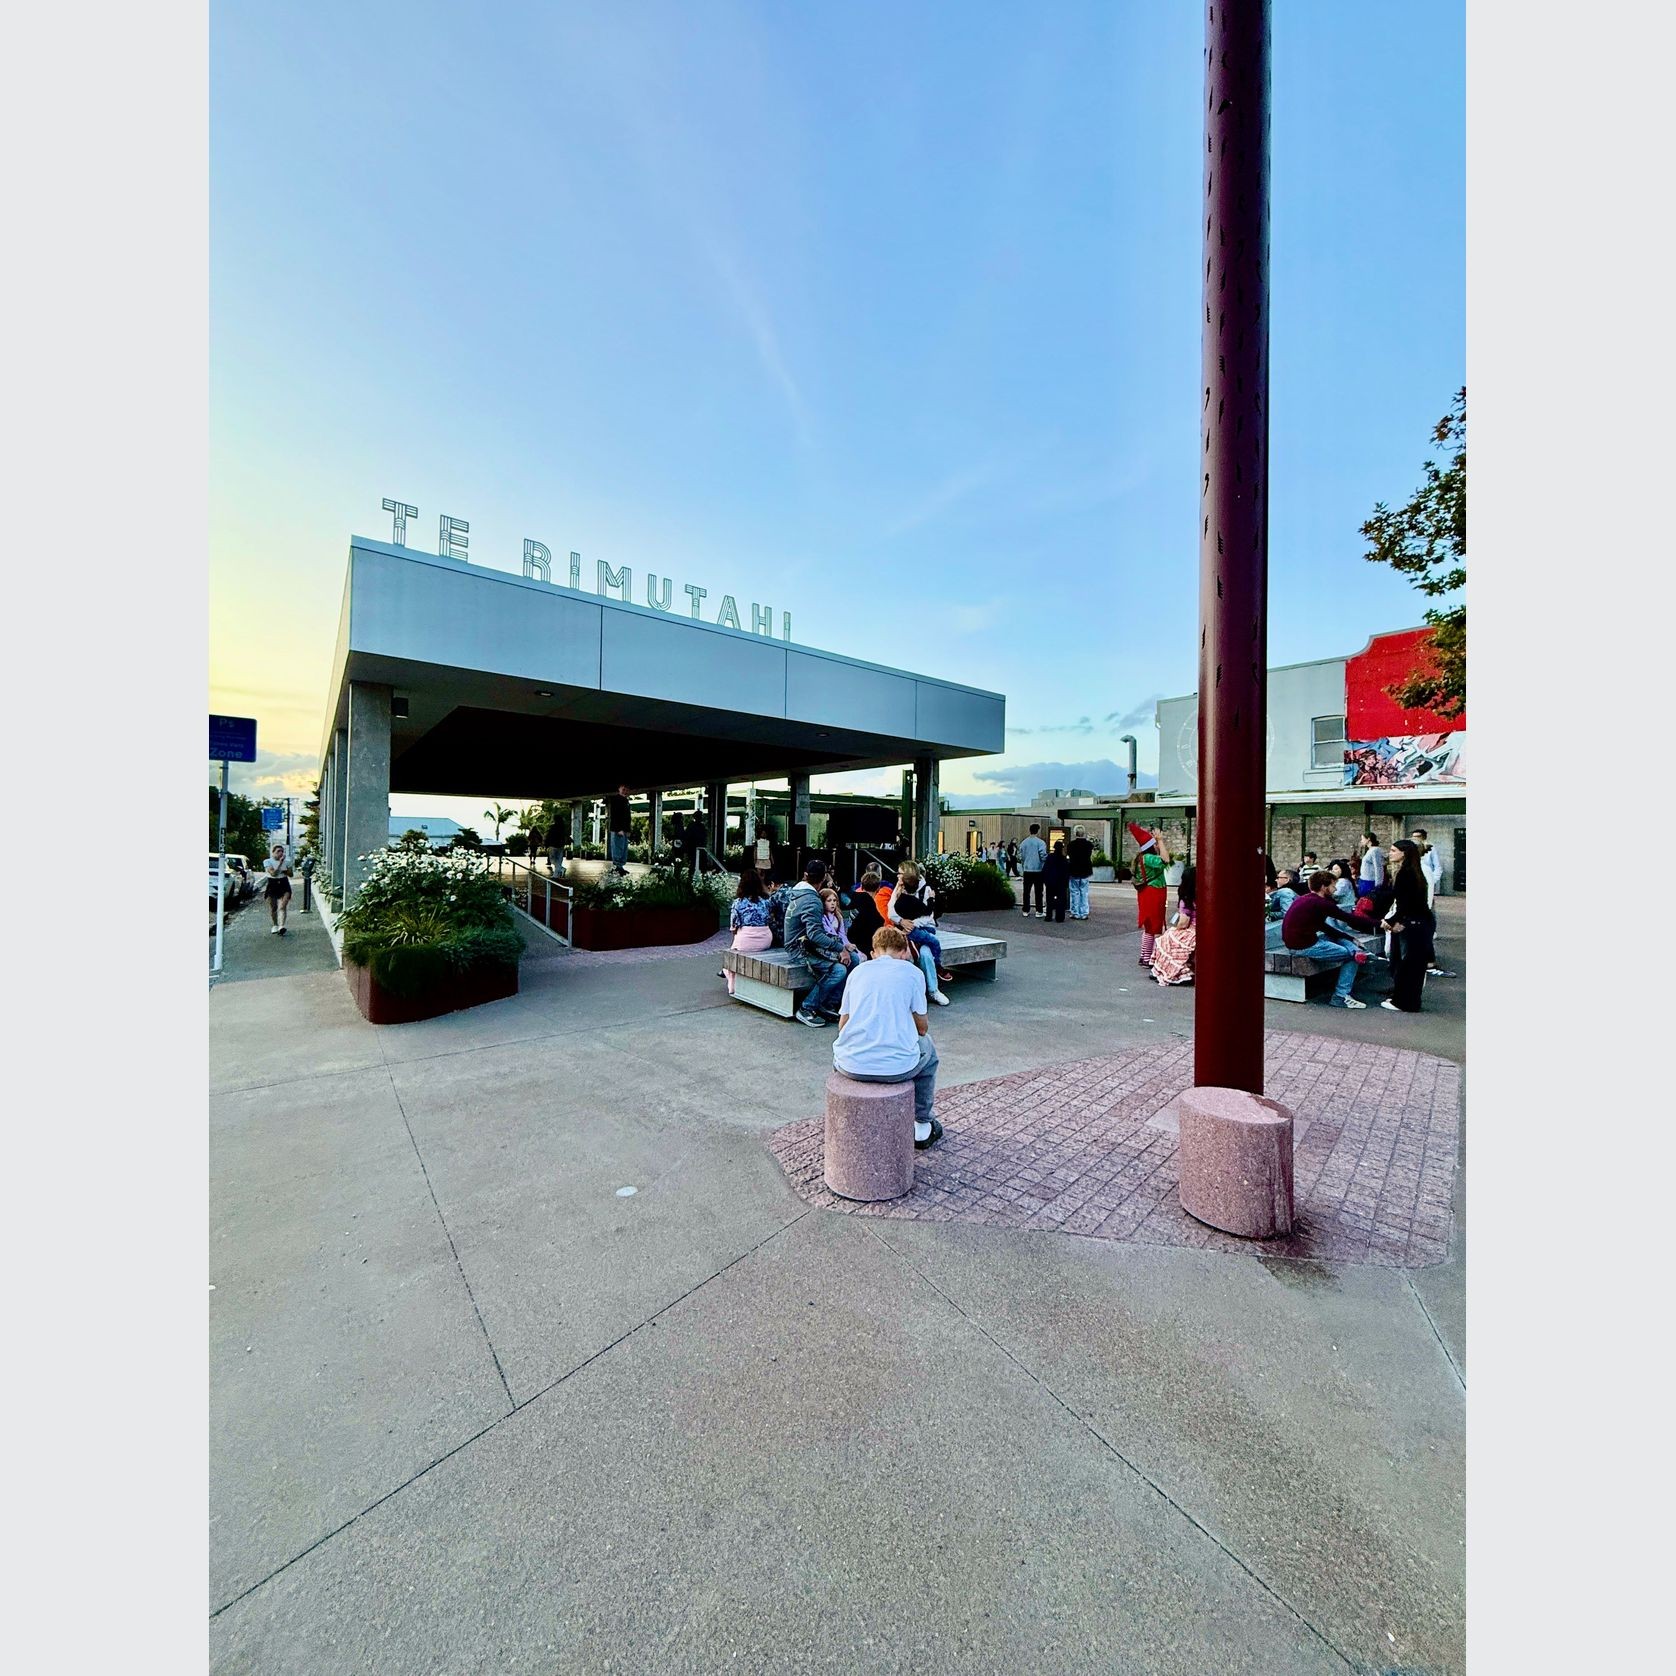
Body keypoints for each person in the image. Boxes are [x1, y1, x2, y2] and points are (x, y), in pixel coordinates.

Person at [833, 925, 943, 1149]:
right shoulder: (913, 973)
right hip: (897, 1068)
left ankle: (847, 1118)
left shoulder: (858, 972)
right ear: (904, 952)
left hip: (850, 1064)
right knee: (928, 1049)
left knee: (844, 1045)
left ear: (874, 953)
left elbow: (843, 1025)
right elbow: (922, 1028)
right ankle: (922, 1123)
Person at [1280, 872, 1374, 1008]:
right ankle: (1340, 997)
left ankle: (1355, 947)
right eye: (1333, 885)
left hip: (1299, 942)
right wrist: (1381, 923)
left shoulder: (1306, 899)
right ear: (1324, 887)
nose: (1335, 889)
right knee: (1352, 957)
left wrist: (1350, 937)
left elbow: (1323, 926)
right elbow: (1350, 918)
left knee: (1335, 936)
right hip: (1304, 947)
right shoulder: (1321, 903)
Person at [783, 860, 855, 1027]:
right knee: (838, 970)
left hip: (804, 946)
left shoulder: (798, 893)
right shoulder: (812, 900)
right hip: (800, 950)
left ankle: (827, 1003)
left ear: (805, 875)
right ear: (823, 878)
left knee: (854, 959)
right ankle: (807, 1008)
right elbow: (814, 934)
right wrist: (840, 948)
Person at [1378, 840, 1438, 1013]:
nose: (1390, 853)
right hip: (1421, 922)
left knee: (1408, 965)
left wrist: (1391, 921)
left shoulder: (1406, 874)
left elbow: (1405, 903)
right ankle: (1407, 1000)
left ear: (1403, 853)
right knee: (1414, 965)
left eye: (1393, 850)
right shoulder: (1415, 871)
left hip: (1412, 923)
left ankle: (1404, 1002)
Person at [888, 862, 951, 1004]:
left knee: (926, 954)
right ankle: (907, 992)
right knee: (904, 955)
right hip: (904, 929)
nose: (897, 876)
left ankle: (933, 990)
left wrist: (911, 925)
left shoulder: (926, 889)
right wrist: (902, 921)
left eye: (900, 873)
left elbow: (928, 916)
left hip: (922, 929)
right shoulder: (899, 888)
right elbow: (891, 911)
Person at [724, 869, 774, 995]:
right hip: (765, 939)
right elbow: (769, 919)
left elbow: (733, 927)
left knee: (731, 956)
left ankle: (731, 982)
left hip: (745, 940)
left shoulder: (738, 903)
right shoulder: (766, 902)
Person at [1128, 823, 1171, 965]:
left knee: (1149, 927)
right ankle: (1152, 958)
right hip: (1154, 893)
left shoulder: (1142, 857)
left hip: (1146, 894)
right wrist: (1160, 841)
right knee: (1156, 926)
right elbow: (1166, 860)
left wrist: (1158, 845)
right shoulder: (1149, 859)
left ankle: (1145, 956)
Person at [1411, 829, 1452, 976]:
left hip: (1425, 892)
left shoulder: (1430, 851)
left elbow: (1437, 867)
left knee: (1428, 918)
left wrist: (1432, 883)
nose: (1415, 839)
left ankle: (1429, 961)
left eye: (1418, 837)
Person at [1150, 865, 1197, 985]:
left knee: (1167, 939)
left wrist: (1175, 927)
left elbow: (1183, 922)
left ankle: (1172, 970)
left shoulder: (1186, 899)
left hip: (1192, 930)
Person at [1017, 823, 1048, 917]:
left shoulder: (1024, 842)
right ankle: (1039, 911)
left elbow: (1020, 856)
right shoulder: (1040, 842)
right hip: (1038, 870)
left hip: (1027, 870)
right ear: (1037, 831)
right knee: (1039, 892)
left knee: (1026, 891)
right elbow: (1043, 855)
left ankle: (1025, 910)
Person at [1065, 826, 1095, 920]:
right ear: (1084, 833)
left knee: (1074, 892)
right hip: (1085, 871)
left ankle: (1075, 912)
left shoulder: (1071, 845)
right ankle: (1084, 913)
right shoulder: (1089, 844)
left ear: (1075, 833)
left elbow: (1068, 856)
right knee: (1084, 892)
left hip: (1074, 870)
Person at [262, 843, 293, 935]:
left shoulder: (287, 861)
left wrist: (286, 869)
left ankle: (281, 926)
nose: (280, 853)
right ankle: (275, 924)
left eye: (282, 851)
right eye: (278, 851)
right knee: (273, 907)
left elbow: (291, 874)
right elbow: (273, 873)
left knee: (283, 906)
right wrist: (280, 864)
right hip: (272, 883)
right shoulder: (268, 861)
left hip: (284, 883)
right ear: (273, 853)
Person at [605, 785, 632, 874]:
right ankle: (617, 866)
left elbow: (627, 817)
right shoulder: (616, 800)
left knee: (623, 848)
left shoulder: (626, 801)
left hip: (623, 829)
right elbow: (615, 815)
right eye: (623, 789)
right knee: (618, 847)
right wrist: (618, 829)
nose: (625, 791)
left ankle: (620, 866)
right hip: (618, 829)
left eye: (626, 789)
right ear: (619, 789)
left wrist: (627, 830)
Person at [1043, 840, 1071, 923]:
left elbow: (1045, 869)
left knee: (1049, 899)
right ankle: (1060, 917)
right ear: (1062, 848)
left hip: (1050, 881)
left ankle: (1049, 916)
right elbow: (1066, 872)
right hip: (1061, 882)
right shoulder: (1064, 859)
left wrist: (1045, 880)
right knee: (1061, 900)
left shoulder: (1050, 857)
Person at [1357, 831, 1386, 901]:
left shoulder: (1375, 850)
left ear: (1368, 839)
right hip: (1364, 879)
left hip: (1369, 881)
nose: (1361, 841)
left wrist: (1378, 884)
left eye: (1363, 839)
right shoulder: (1370, 850)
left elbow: (1378, 867)